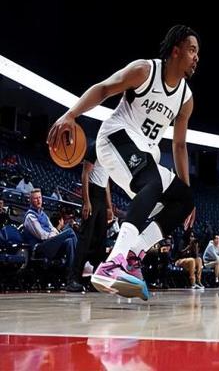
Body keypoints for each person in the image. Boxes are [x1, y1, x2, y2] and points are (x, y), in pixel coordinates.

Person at [47, 25, 199, 300]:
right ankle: (113, 263)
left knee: (184, 199)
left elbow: (179, 145)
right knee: (152, 181)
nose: (196, 57)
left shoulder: (185, 99)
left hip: (144, 154)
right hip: (116, 137)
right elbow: (104, 88)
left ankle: (132, 255)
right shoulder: (144, 71)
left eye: (197, 52)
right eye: (192, 50)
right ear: (176, 51)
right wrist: (71, 114)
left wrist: (185, 190)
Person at [66, 142, 113, 292]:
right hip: (92, 194)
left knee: (101, 241)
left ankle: (96, 280)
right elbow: (85, 174)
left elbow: (106, 182)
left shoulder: (110, 152)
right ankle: (73, 279)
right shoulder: (95, 147)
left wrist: (109, 206)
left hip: (101, 196)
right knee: (85, 239)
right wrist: (86, 202)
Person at [23, 189, 78, 280]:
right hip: (39, 248)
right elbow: (42, 235)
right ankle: (79, 266)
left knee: (69, 241)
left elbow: (52, 229)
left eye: (40, 198)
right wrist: (54, 235)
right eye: (36, 198)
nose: (39, 200)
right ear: (30, 200)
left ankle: (70, 276)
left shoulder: (43, 214)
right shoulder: (30, 216)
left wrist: (54, 234)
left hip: (48, 244)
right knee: (70, 232)